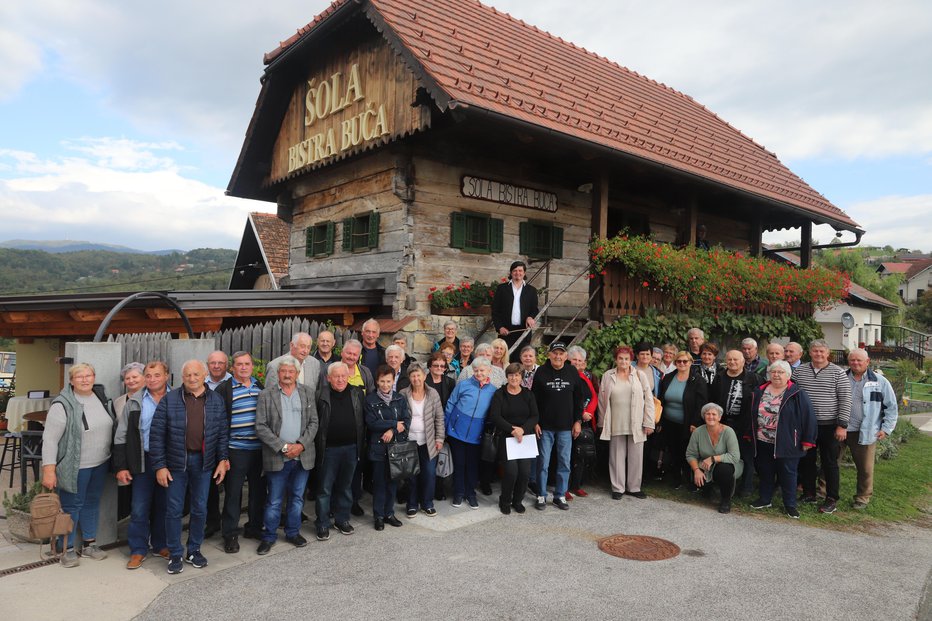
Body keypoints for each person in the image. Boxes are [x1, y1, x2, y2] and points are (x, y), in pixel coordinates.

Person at [150, 360, 230, 574]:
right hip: (176, 463)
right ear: (182, 377)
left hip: (204, 463)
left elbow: (222, 432)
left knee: (200, 508)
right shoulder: (170, 399)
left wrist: (223, 459)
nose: (192, 379)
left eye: (196, 374)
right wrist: (159, 466)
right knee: (174, 510)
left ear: (204, 374)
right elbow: (156, 436)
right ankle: (175, 553)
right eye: (188, 375)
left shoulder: (216, 400)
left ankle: (194, 549)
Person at [42, 363, 114, 568]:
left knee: (91, 502)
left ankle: (89, 544)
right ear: (71, 381)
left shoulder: (100, 398)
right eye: (79, 376)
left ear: (94, 377)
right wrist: (49, 469)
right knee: (71, 506)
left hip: (100, 462)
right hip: (75, 466)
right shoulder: (62, 404)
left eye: (88, 375)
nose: (84, 379)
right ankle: (65, 548)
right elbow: (50, 440)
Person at [255, 356, 318, 554]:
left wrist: (300, 445)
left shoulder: (308, 393)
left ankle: (292, 532)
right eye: (284, 371)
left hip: (302, 456)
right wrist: (283, 447)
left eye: (291, 371)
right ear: (278, 373)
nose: (288, 374)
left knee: (297, 498)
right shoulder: (266, 395)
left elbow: (314, 423)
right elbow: (261, 426)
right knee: (274, 500)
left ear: (297, 374)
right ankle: (269, 536)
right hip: (277, 456)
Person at [113, 361, 170, 569]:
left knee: (164, 506)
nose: (152, 379)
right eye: (149, 375)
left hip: (169, 462)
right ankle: (137, 550)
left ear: (166, 376)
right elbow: (121, 436)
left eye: (157, 375)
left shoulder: (176, 399)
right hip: (142, 461)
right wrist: (121, 466)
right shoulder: (135, 402)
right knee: (139, 508)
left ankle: (161, 545)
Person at [749, 360, 817, 519]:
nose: (777, 375)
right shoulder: (760, 391)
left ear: (788, 375)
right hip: (762, 440)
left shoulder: (797, 393)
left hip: (788, 442)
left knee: (788, 474)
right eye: (774, 372)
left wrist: (808, 440)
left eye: (780, 372)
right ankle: (765, 499)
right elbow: (751, 414)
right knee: (765, 471)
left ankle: (790, 505)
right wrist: (749, 433)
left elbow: (809, 418)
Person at [793, 339, 851, 515]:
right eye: (815, 351)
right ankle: (809, 493)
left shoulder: (838, 373)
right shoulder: (800, 371)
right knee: (806, 460)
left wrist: (842, 425)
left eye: (822, 351)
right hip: (806, 425)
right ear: (809, 353)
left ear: (827, 354)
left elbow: (845, 399)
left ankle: (831, 498)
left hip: (829, 425)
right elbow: (792, 394)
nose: (818, 354)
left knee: (829, 463)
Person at [215, 352, 265, 553]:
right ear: (232, 368)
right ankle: (230, 534)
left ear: (252, 366)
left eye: (247, 364)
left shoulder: (259, 387)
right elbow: (218, 423)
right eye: (239, 364)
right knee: (233, 495)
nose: (243, 367)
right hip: (235, 450)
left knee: (258, 492)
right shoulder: (224, 389)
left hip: (259, 449)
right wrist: (223, 455)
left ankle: (253, 527)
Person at [314, 362, 365, 540]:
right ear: (328, 378)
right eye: (336, 376)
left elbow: (363, 420)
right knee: (325, 489)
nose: (341, 379)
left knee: (345, 487)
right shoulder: (320, 395)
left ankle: (342, 519)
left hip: (351, 448)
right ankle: (322, 523)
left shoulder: (357, 393)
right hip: (329, 450)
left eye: (344, 375)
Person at [597, 346, 654, 500]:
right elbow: (602, 401)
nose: (623, 361)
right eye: (620, 358)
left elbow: (649, 400)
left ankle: (634, 487)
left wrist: (649, 422)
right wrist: (602, 422)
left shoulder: (640, 375)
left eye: (627, 359)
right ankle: (618, 488)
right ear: (616, 359)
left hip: (637, 422)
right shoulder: (607, 376)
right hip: (615, 421)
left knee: (636, 457)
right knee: (616, 456)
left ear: (631, 360)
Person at [532, 342, 584, 511]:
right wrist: (535, 422)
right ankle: (541, 495)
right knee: (543, 462)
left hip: (565, 427)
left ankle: (560, 495)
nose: (558, 356)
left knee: (564, 462)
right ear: (549, 355)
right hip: (545, 427)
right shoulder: (541, 372)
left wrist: (578, 421)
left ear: (566, 356)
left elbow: (578, 399)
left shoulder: (572, 372)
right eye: (555, 353)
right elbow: (534, 400)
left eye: (561, 353)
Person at [845, 349, 898, 509]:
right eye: (852, 360)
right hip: (841, 428)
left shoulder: (880, 381)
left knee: (865, 468)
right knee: (830, 463)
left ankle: (862, 498)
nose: (855, 363)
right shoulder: (841, 378)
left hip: (866, 431)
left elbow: (891, 407)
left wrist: (886, 428)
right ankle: (823, 492)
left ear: (867, 362)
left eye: (859, 360)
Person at [445, 357, 497, 508]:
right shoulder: (463, 385)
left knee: (472, 465)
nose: (479, 373)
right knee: (459, 464)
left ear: (489, 371)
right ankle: (458, 493)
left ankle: (470, 493)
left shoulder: (493, 390)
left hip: (477, 434)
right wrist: (447, 426)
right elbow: (450, 404)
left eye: (482, 370)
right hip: (457, 432)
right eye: (476, 370)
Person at [488, 363, 539, 514]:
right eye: (511, 375)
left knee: (524, 473)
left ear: (521, 377)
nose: (514, 378)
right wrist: (512, 430)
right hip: (507, 438)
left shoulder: (528, 394)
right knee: (511, 472)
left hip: (525, 438)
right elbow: (495, 416)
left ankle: (517, 500)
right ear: (507, 376)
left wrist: (522, 429)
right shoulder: (500, 394)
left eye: (517, 375)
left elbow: (535, 416)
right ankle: (505, 500)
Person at [364, 365, 411, 530]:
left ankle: (389, 513)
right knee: (379, 484)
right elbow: (372, 423)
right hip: (378, 449)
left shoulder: (399, 399)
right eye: (382, 381)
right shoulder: (370, 400)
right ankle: (378, 516)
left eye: (388, 381)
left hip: (396, 449)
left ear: (393, 381)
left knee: (393, 483)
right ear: (377, 381)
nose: (385, 385)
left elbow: (406, 421)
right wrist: (393, 424)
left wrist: (392, 430)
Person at [710, 350, 760, 497]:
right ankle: (720, 485)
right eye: (729, 359)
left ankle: (746, 487)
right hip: (723, 423)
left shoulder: (753, 379)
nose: (732, 362)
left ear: (743, 361)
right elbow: (712, 399)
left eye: (736, 360)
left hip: (744, 424)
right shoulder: (719, 377)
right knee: (721, 454)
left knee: (746, 455)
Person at [657, 351, 708, 487]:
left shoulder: (697, 381)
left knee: (686, 451)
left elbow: (701, 404)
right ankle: (675, 478)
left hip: (687, 423)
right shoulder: (668, 378)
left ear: (691, 362)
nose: (682, 364)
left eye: (685, 361)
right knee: (672, 450)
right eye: (679, 361)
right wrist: (660, 421)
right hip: (668, 421)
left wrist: (695, 422)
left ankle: (690, 479)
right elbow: (661, 400)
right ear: (675, 363)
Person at [399, 363, 444, 517]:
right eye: (413, 375)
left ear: (424, 376)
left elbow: (439, 418)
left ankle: (427, 503)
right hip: (409, 441)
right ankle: (412, 504)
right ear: (409, 378)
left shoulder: (433, 394)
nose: (416, 378)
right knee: (411, 475)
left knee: (429, 473)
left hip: (428, 441)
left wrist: (439, 438)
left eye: (419, 375)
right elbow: (398, 416)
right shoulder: (403, 394)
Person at [686, 403, 743, 513]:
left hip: (728, 464)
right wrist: (696, 470)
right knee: (698, 475)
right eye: (708, 414)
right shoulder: (698, 432)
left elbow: (735, 456)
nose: (711, 417)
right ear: (704, 416)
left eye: (714, 414)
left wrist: (713, 458)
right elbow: (690, 454)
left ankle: (726, 500)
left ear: (719, 417)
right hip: (705, 465)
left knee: (724, 470)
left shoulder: (728, 432)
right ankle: (708, 488)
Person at [204, 350, 231, 537]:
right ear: (208, 365)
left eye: (220, 363)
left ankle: (230, 524)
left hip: (234, 441)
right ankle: (213, 522)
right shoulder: (201, 383)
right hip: (210, 442)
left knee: (232, 486)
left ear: (227, 365)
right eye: (213, 363)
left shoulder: (235, 381)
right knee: (211, 486)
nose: (216, 366)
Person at [567, 345, 598, 498]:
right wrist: (580, 414)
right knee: (567, 455)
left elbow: (594, 397)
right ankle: (564, 487)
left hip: (584, 421)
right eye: (574, 359)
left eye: (580, 360)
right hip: (569, 422)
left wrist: (589, 412)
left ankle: (576, 485)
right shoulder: (566, 375)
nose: (577, 363)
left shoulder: (586, 377)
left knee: (580, 454)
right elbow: (567, 402)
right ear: (568, 360)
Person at [492, 261, 539, 361]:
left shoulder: (531, 290)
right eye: (515, 270)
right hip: (506, 331)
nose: (518, 273)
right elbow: (495, 310)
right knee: (504, 360)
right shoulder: (502, 289)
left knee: (521, 360)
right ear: (511, 273)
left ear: (524, 273)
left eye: (520, 270)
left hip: (523, 331)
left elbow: (534, 309)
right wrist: (499, 327)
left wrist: (530, 317)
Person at [113, 362, 145, 427]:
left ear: (144, 377)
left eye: (134, 377)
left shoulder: (151, 398)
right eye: (127, 378)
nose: (131, 381)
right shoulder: (118, 402)